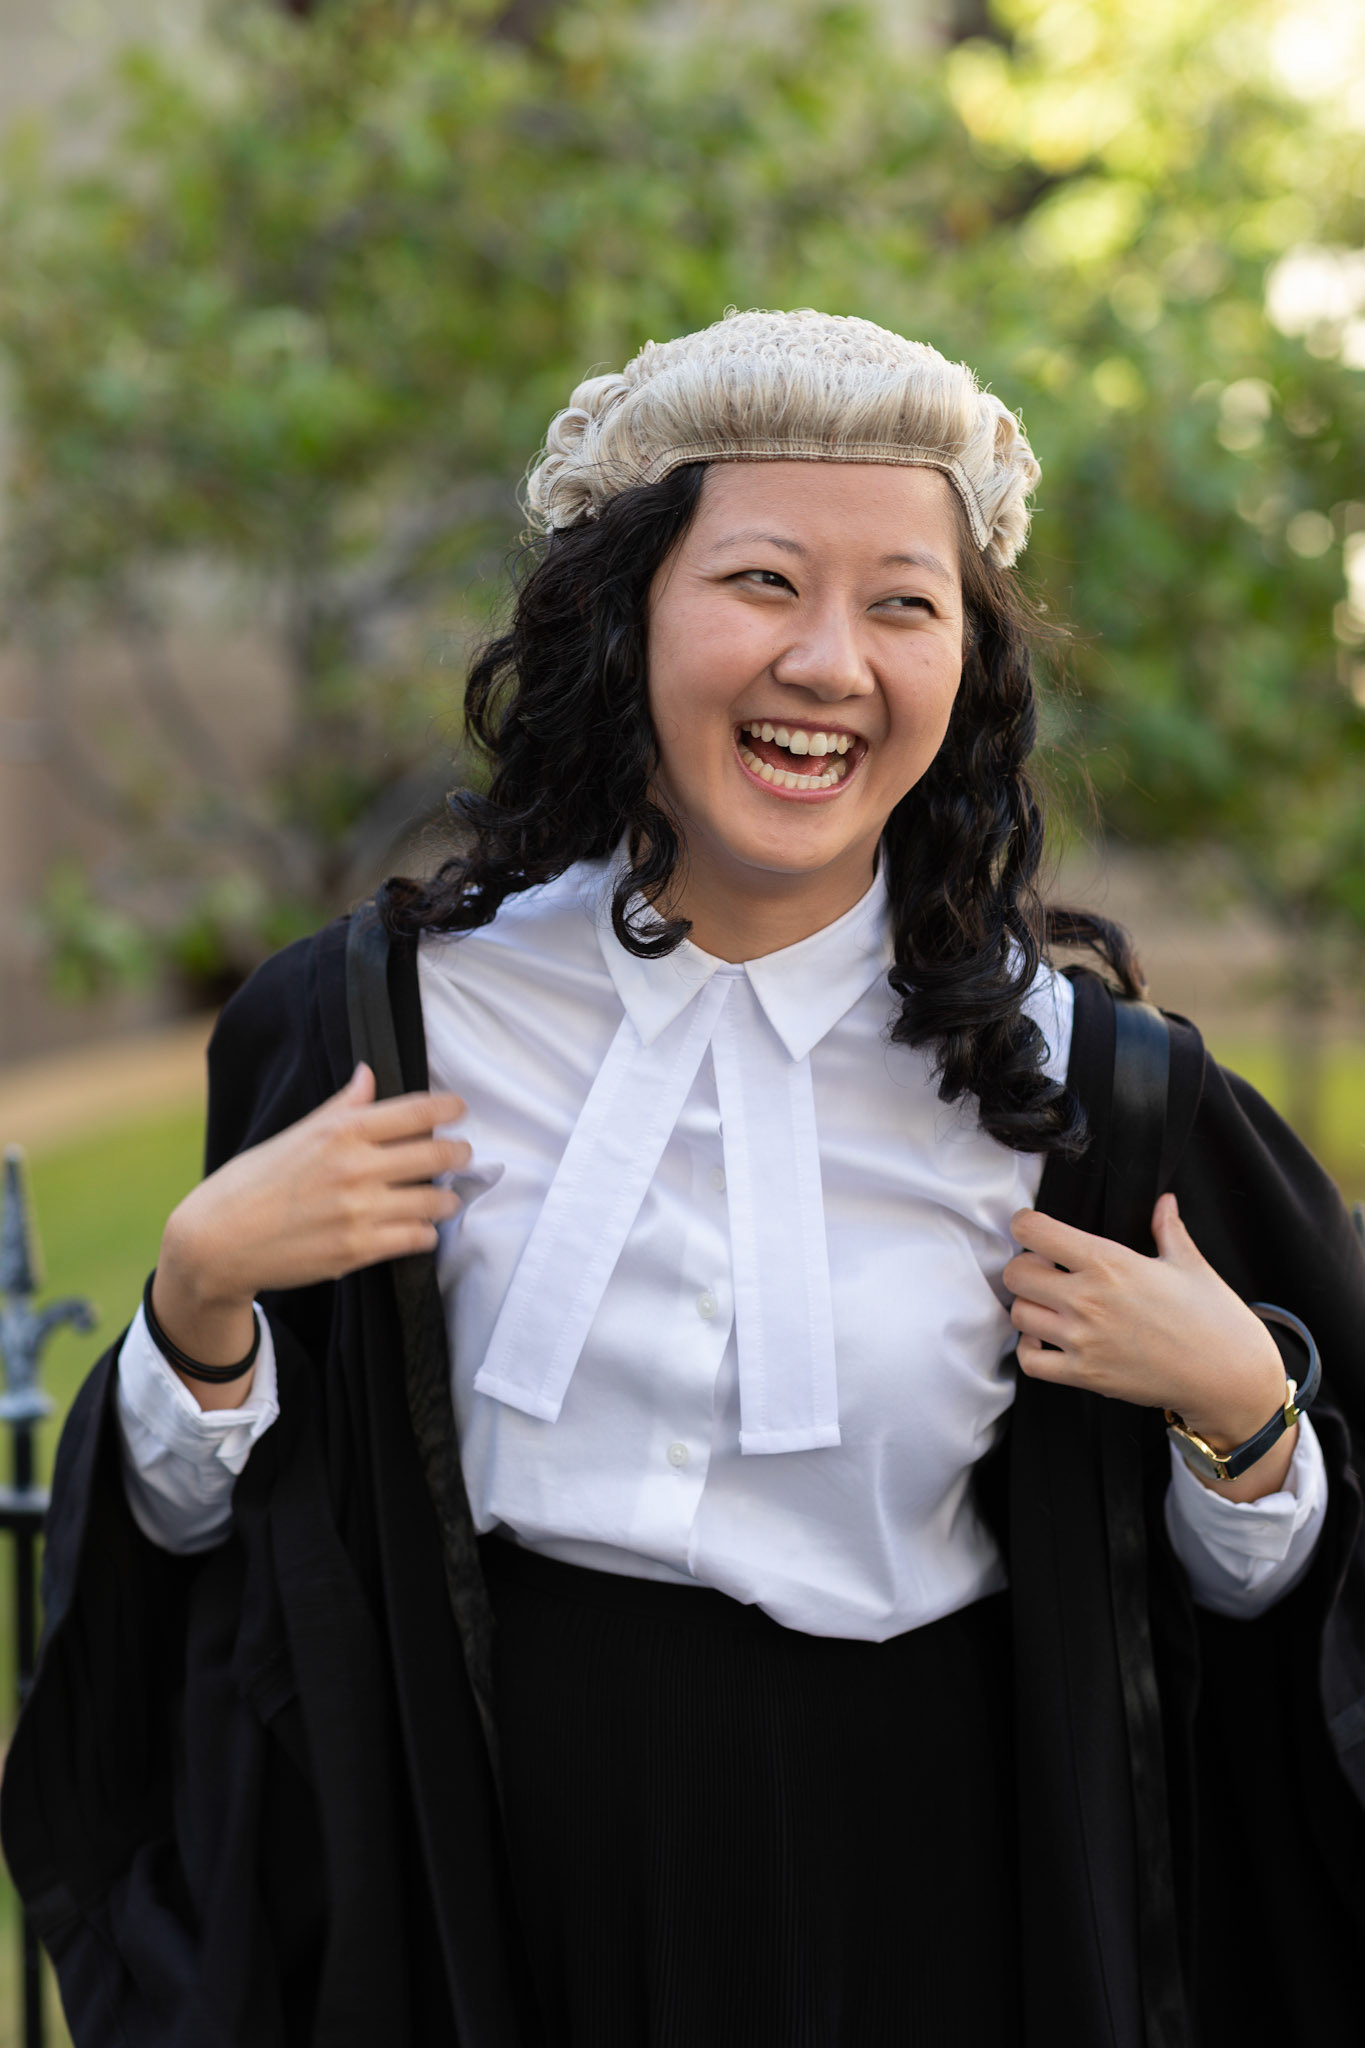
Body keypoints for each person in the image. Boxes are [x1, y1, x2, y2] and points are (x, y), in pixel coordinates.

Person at [4, 309, 1365, 2048]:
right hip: (482, 1887)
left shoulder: (1090, 1095)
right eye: (761, 583)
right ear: (622, 614)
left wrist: (1248, 1421)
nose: (829, 662)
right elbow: (215, 1575)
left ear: (965, 666)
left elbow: (1251, 1644)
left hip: (931, 1914)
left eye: (902, 605)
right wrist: (195, 1305)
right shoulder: (382, 1026)